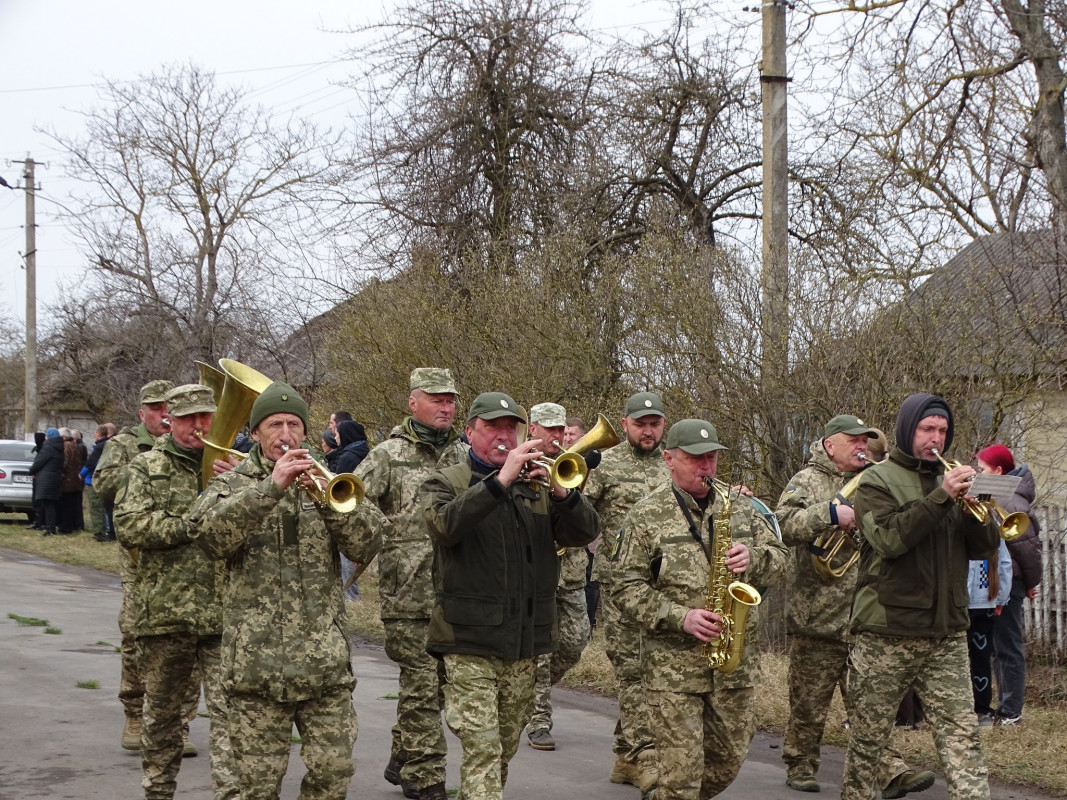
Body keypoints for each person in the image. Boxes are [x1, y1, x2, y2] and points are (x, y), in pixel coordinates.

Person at [188, 381, 385, 800]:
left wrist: (329, 504)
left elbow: (369, 542)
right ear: (256, 432)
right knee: (256, 787)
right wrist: (269, 489)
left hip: (325, 667)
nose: (285, 434)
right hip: (256, 670)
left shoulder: (327, 481)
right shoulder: (230, 484)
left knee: (334, 775)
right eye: (275, 424)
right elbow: (209, 538)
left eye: (294, 424)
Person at [419, 391, 598, 800]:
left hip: (524, 642)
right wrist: (499, 483)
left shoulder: (536, 484)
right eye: (492, 427)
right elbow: (445, 527)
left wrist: (561, 495)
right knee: (482, 748)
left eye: (509, 428)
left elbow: (585, 532)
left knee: (502, 749)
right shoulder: (444, 482)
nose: (503, 436)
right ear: (469, 432)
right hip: (468, 641)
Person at [613, 418, 789, 800]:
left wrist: (754, 558)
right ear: (669, 459)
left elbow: (782, 559)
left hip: (734, 666)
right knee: (683, 778)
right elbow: (622, 588)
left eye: (711, 458)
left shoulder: (739, 506)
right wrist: (682, 617)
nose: (706, 467)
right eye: (695, 458)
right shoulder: (645, 515)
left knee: (726, 764)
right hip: (672, 668)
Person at [841, 392, 999, 800]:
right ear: (909, 429)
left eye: (943, 430)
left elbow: (984, 548)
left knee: (962, 736)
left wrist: (976, 506)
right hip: (887, 630)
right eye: (928, 428)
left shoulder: (957, 481)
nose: (937, 438)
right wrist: (941, 497)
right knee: (868, 741)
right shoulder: (877, 479)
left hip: (946, 631)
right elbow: (889, 539)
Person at [775, 414, 932, 797]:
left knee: (870, 703)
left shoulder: (876, 478)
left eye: (865, 440)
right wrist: (830, 513)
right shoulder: (806, 480)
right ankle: (800, 764)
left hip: (864, 615)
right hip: (816, 616)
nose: (862, 446)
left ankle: (889, 769)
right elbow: (781, 524)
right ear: (831, 444)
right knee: (809, 705)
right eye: (853, 440)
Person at [113, 384, 239, 800]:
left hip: (224, 616)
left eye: (207, 418)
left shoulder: (233, 467)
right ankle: (158, 792)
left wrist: (234, 489)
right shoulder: (147, 466)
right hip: (165, 615)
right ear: (171, 420)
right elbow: (130, 525)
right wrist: (190, 524)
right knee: (164, 720)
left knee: (231, 718)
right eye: (189, 419)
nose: (199, 427)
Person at [356, 368, 468, 800]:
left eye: (451, 400)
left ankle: (403, 754)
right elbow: (351, 503)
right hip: (407, 595)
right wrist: (389, 536)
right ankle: (425, 777)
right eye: (436, 399)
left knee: (437, 686)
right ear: (413, 403)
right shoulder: (387, 454)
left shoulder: (463, 455)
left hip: (456, 591)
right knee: (421, 683)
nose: (445, 407)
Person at [582, 391, 671, 792]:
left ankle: (625, 754)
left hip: (667, 587)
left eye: (654, 424)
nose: (648, 431)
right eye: (641, 424)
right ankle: (644, 756)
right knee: (634, 670)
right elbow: (578, 515)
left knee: (657, 669)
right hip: (620, 584)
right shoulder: (607, 463)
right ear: (625, 425)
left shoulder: (676, 464)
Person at [94, 379, 179, 752]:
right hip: (138, 555)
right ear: (142, 412)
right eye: (157, 408)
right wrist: (148, 468)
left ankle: (174, 725)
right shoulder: (124, 444)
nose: (163, 414)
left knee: (180, 638)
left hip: (179, 552)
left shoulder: (184, 443)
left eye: (168, 408)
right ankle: (134, 711)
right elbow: (103, 484)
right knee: (135, 632)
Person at [525, 402, 592, 752]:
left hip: (572, 570)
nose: (555, 435)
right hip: (538, 572)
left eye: (559, 428)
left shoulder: (572, 462)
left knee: (576, 640)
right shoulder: (520, 464)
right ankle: (538, 720)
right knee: (543, 649)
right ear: (532, 428)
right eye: (548, 428)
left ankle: (526, 693)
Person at [975, 443, 1043, 726]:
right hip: (997, 578)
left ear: (998, 471)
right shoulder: (997, 494)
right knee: (997, 644)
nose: (978, 474)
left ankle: (1011, 710)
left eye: (982, 470)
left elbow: (1028, 548)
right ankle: (1002, 706)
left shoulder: (1011, 501)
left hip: (1009, 581)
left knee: (1007, 645)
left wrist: (1030, 582)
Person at [966, 538, 1012, 727]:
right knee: (981, 659)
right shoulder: (991, 529)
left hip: (964, 603)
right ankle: (983, 710)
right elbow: (1005, 565)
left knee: (961, 658)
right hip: (986, 601)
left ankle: (978, 709)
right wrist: (1001, 598)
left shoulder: (959, 524)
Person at [27, 427, 64, 536]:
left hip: (46, 480)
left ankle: (50, 528)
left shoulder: (48, 447)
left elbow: (39, 462)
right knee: (50, 504)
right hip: (54, 478)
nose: (45, 437)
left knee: (48, 505)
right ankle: (50, 527)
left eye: (46, 435)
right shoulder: (59, 447)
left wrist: (31, 471)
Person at [83, 423, 115, 541]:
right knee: (107, 507)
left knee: (97, 507)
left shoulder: (100, 446)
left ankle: (100, 533)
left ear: (98, 433)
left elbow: (91, 463)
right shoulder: (111, 445)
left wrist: (81, 474)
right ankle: (108, 531)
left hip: (94, 479)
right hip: (107, 479)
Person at [59, 427, 86, 533]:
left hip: (67, 480)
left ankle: (66, 527)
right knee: (76, 505)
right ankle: (78, 525)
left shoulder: (65, 447)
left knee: (66, 505)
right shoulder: (78, 446)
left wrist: (60, 473)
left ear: (64, 437)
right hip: (77, 480)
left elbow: (65, 463)